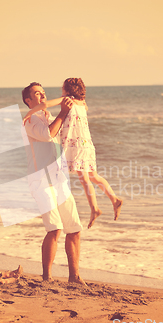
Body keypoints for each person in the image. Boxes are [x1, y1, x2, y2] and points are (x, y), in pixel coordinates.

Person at [23, 78, 123, 228]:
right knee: (93, 176)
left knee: (84, 178)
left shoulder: (67, 99)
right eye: (39, 93)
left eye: (62, 89)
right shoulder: (83, 103)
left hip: (76, 144)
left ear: (67, 90)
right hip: (87, 144)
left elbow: (45, 105)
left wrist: (30, 112)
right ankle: (114, 199)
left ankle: (94, 208)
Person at [21, 82, 85, 285]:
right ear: (28, 101)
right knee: (54, 228)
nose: (42, 96)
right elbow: (48, 134)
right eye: (37, 94)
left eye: (43, 93)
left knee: (74, 228)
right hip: (40, 180)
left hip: (59, 178)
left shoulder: (49, 116)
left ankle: (74, 276)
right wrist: (63, 113)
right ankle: (47, 277)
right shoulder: (29, 119)